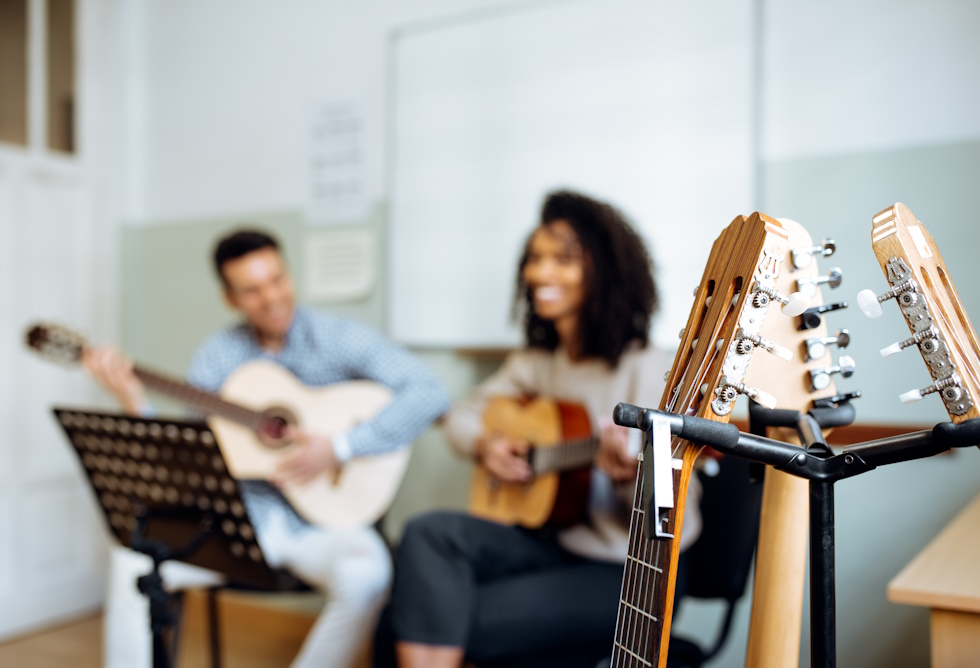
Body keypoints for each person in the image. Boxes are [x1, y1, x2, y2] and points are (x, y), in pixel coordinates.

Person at [84, 229, 450, 668]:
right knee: (131, 561)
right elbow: (184, 456)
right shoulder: (218, 355)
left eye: (277, 279)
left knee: (369, 575)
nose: (272, 297)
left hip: (321, 524)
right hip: (239, 527)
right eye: (252, 290)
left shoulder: (337, 337)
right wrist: (132, 400)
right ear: (230, 299)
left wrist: (340, 447)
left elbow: (429, 392)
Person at [379, 190, 701, 668]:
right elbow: (462, 418)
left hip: (632, 571)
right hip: (553, 541)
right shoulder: (536, 363)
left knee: (429, 616)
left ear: (605, 272)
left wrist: (629, 476)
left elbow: (673, 513)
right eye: (534, 259)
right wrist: (487, 445)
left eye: (562, 260)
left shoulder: (651, 368)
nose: (539, 273)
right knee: (425, 532)